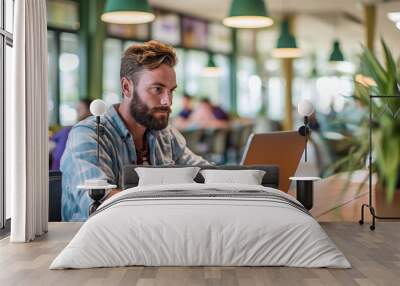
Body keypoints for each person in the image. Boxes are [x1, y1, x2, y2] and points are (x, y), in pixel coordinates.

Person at [60, 41, 210, 221]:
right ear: (126, 87)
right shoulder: (88, 135)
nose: (167, 101)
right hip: (98, 244)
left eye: (171, 91)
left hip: (155, 237)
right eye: (157, 89)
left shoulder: (164, 134)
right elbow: (100, 203)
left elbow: (205, 174)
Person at [49, 99, 92, 170]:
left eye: (80, 109)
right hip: (56, 172)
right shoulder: (67, 130)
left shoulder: (93, 131)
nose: (77, 111)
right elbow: (50, 144)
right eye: (77, 109)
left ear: (90, 111)